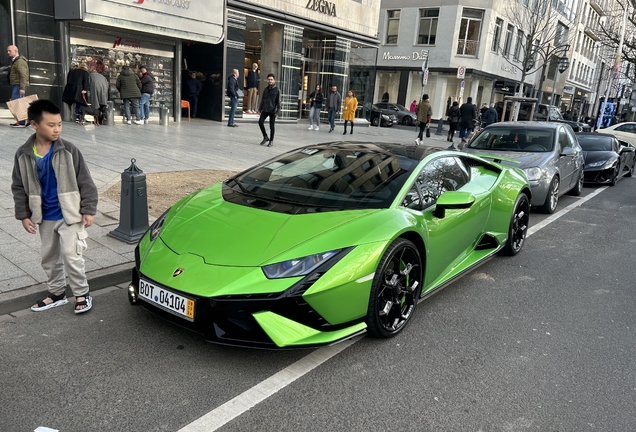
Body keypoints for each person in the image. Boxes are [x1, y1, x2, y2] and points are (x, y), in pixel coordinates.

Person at [11, 99, 98, 314]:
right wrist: (24, 215)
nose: (57, 129)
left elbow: (85, 180)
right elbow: (18, 186)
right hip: (45, 216)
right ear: (34, 124)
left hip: (70, 214)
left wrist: (88, 209)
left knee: (72, 255)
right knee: (49, 258)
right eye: (51, 125)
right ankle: (57, 293)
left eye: (59, 124)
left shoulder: (69, 149)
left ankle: (81, 293)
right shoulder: (23, 154)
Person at [7, 44, 30, 127]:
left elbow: (23, 75)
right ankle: (25, 120)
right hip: (17, 84)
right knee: (18, 102)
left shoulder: (20, 61)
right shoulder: (15, 61)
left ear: (15, 51)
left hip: (18, 85)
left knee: (17, 103)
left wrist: (22, 87)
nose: (8, 52)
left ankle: (22, 122)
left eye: (10, 51)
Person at [258, 73, 280, 147]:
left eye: (271, 79)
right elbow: (263, 100)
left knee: (272, 126)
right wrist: (260, 109)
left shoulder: (277, 90)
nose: (270, 81)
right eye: (269, 79)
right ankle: (265, 137)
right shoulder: (265, 89)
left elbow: (278, 101)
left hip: (273, 110)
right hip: (265, 109)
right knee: (260, 122)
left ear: (274, 80)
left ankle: (271, 140)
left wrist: (277, 111)